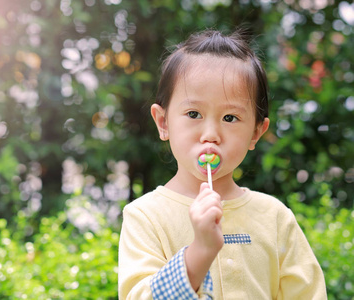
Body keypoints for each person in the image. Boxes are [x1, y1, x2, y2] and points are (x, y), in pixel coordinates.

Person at [118, 29, 327, 299]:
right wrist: (199, 253)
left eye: (230, 118)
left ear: (256, 132)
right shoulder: (145, 217)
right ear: (163, 122)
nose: (211, 134)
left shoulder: (275, 218)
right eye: (193, 113)